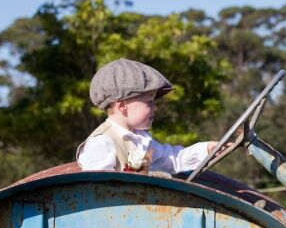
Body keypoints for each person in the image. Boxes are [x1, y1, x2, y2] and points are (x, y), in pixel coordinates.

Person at [76, 58, 220, 174]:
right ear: (122, 106)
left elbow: (173, 160)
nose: (155, 108)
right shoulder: (102, 142)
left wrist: (206, 149)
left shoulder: (141, 140)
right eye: (149, 102)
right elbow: (98, 189)